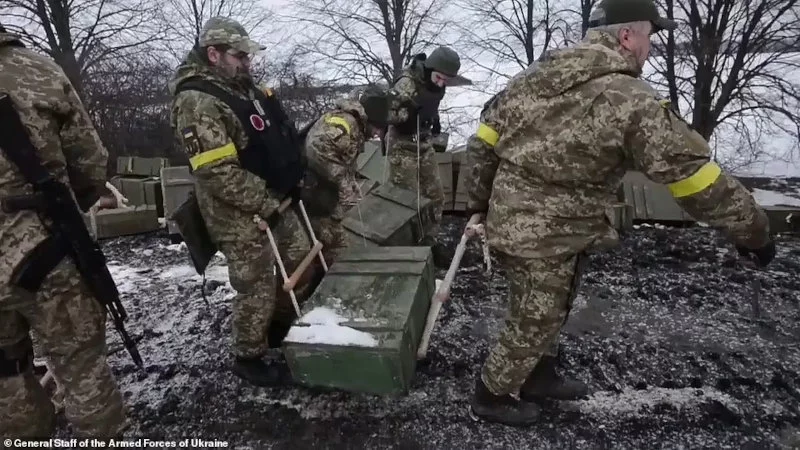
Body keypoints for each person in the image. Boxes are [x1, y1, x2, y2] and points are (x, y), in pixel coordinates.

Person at [463, 0, 776, 426]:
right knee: (534, 317)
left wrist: (480, 202)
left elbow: (483, 140)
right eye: (649, 35)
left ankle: (539, 376)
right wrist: (755, 231)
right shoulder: (630, 99)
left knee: (555, 303)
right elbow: (695, 178)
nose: (649, 47)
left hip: (553, 225)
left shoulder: (536, 76)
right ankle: (491, 396)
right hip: (541, 233)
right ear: (627, 36)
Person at [168, 16, 311, 386]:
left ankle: (276, 326)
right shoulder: (196, 101)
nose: (247, 63)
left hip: (271, 196)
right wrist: (264, 201)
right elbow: (216, 173)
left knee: (300, 256)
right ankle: (248, 354)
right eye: (239, 56)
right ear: (213, 54)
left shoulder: (241, 86)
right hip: (234, 209)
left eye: (248, 56)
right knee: (256, 281)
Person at [0, 24, 128, 437]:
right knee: (82, 368)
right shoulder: (34, 70)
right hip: (44, 249)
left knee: (6, 370)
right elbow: (91, 165)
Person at [302, 87, 413, 263]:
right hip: (313, 196)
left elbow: (343, 159)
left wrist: (351, 184)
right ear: (368, 120)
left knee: (338, 245)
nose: (377, 133)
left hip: (326, 196)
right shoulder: (343, 123)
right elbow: (317, 149)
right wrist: (343, 184)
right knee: (325, 245)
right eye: (376, 128)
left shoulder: (356, 125)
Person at [386, 46, 462, 265]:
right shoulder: (406, 83)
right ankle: (407, 251)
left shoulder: (436, 83)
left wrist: (433, 118)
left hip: (424, 142)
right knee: (407, 203)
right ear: (430, 68)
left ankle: (429, 242)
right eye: (439, 78)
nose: (441, 83)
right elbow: (388, 114)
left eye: (446, 81)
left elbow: (431, 102)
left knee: (435, 196)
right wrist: (407, 114)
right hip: (402, 146)